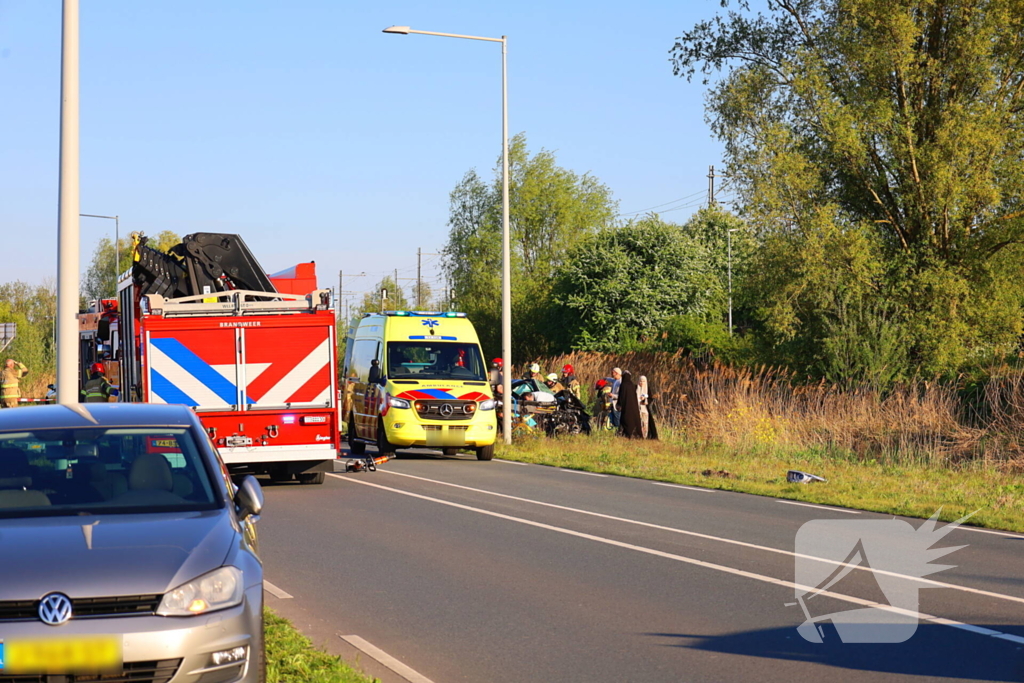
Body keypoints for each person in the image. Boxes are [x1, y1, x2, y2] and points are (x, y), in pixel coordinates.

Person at [617, 371, 644, 438]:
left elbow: (621, 396)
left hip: (626, 407)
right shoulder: (632, 385)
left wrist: (619, 404)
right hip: (634, 407)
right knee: (635, 420)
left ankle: (626, 434)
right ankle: (636, 434)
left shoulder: (623, 385)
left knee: (626, 419)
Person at [637, 375, 658, 440]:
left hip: (645, 408)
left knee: (645, 423)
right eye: (640, 381)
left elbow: (650, 398)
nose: (641, 383)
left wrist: (645, 401)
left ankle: (645, 436)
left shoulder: (647, 389)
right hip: (637, 408)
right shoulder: (636, 388)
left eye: (643, 381)